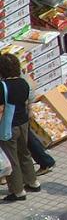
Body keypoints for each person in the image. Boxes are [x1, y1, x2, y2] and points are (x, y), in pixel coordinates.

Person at [0, 54, 40, 202]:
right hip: (23, 123)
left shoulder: (3, 86)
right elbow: (28, 100)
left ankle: (18, 191)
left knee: (12, 158)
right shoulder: (23, 83)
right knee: (25, 153)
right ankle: (32, 181)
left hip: (8, 127)